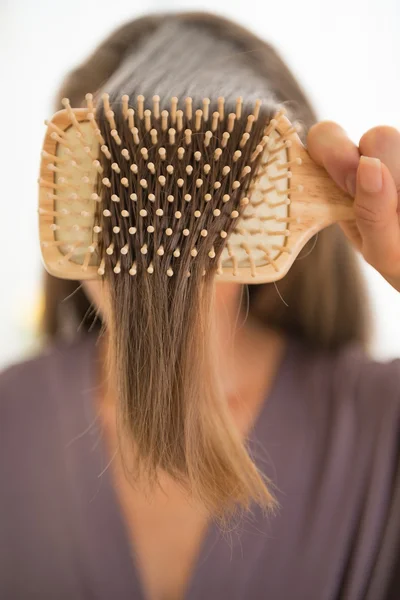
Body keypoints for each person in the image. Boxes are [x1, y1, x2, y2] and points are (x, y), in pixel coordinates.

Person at [1, 12, 400, 600]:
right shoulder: (10, 421)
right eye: (122, 203)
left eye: (195, 208)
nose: (157, 240)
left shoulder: (382, 424)